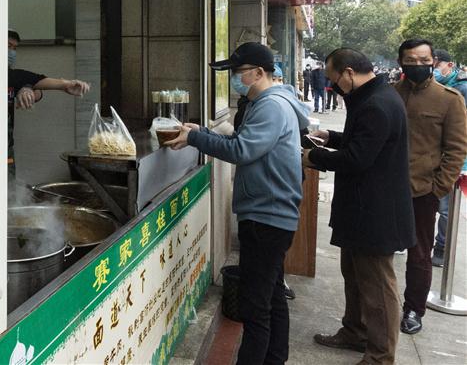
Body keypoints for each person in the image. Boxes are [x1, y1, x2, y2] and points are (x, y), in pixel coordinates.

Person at [167, 42, 307, 365]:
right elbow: (241, 143)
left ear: (259, 73)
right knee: (271, 296)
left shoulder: (271, 107)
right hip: (270, 215)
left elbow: (241, 151)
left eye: (238, 73)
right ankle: (275, 359)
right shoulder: (266, 102)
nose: (234, 79)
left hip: (266, 218)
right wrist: (201, 132)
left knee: (255, 308)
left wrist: (194, 139)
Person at [306, 48, 415, 365]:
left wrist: (314, 157)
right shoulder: (370, 98)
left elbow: (358, 158)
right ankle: (355, 331)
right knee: (354, 275)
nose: (333, 85)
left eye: (333, 78)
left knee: (378, 288)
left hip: (375, 213)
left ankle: (380, 356)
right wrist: (332, 136)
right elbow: (362, 142)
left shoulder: (377, 104)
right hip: (358, 209)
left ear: (349, 72)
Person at [394, 39, 467, 333]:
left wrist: (438, 187)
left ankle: (414, 308)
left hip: (423, 191)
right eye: (410, 60)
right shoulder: (390, 94)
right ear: (401, 62)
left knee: (419, 254)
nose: (418, 65)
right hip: (386, 188)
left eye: (424, 60)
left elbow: (456, 149)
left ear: (433, 61)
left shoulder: (449, 99)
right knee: (378, 251)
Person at [7, 30, 90, 180]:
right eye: (8, 46)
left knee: (8, 189)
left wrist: (66, 85)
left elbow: (38, 82)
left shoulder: (13, 75)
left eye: (14, 48)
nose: (12, 52)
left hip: (6, 149)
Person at [431, 49, 467, 266]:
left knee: (445, 209)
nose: (435, 69)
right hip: (433, 155)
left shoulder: (461, 89)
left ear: (449, 66)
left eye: (437, 65)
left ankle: (441, 248)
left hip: (452, 159)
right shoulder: (441, 87)